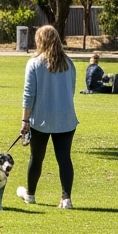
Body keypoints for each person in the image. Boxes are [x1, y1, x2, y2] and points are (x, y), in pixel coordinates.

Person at [16, 25, 78, 209]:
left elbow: (29, 94)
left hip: (40, 119)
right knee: (64, 158)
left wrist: (25, 120)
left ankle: (31, 194)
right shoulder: (69, 63)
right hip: (66, 118)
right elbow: (71, 90)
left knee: (36, 158)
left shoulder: (34, 63)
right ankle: (66, 198)